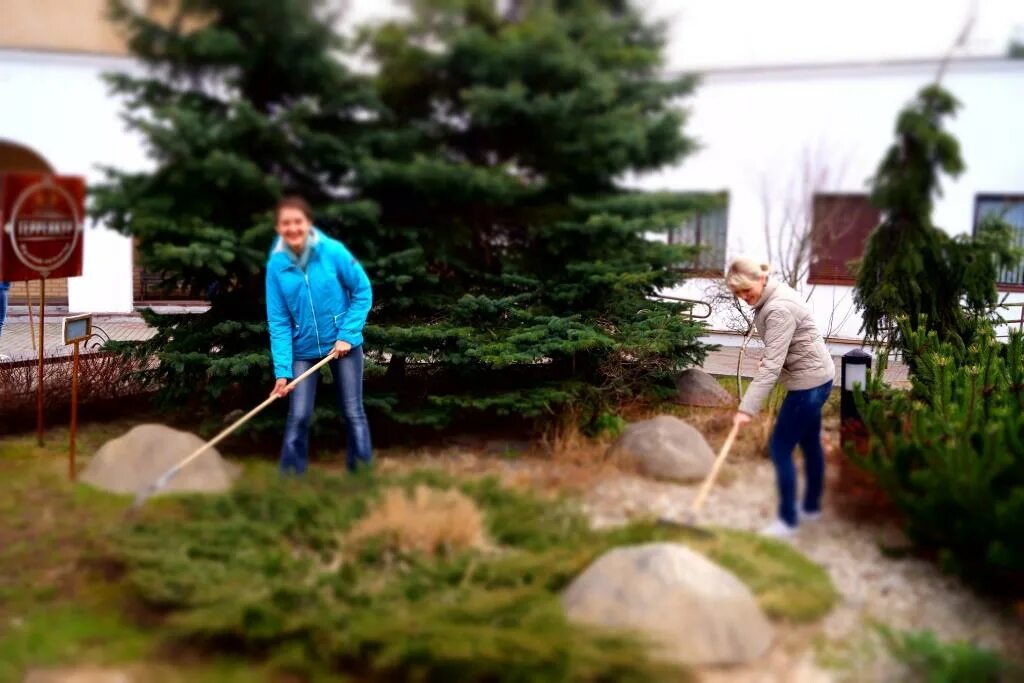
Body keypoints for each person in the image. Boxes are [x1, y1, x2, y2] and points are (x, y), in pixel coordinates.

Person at [727, 257, 835, 538]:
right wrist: (775, 358)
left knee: (780, 448)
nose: (743, 298)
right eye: (738, 294)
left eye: (745, 290)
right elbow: (788, 345)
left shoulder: (777, 309)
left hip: (808, 385)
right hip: (819, 377)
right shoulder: (774, 296)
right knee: (810, 442)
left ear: (760, 280)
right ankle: (811, 507)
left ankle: (787, 521)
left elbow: (772, 368)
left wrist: (746, 409)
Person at [265, 196, 373, 474]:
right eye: (286, 223)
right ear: (278, 227)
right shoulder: (276, 266)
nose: (293, 228)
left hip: (343, 345)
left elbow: (363, 291)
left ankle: (361, 473)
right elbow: (278, 322)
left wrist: (347, 334)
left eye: (297, 221)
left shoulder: (333, 251)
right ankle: (290, 476)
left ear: (308, 223)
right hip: (303, 349)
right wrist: (282, 373)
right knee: (298, 415)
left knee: (352, 412)